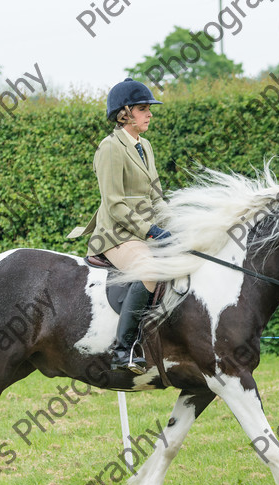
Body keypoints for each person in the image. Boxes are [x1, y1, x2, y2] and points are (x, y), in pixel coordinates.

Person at [68, 78, 169, 374]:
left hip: (143, 227)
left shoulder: (145, 146)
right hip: (115, 234)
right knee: (149, 270)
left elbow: (156, 197)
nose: (149, 113)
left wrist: (178, 225)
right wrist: (149, 230)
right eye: (142, 108)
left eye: (149, 108)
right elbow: (114, 204)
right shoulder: (109, 147)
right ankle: (123, 350)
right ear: (124, 113)